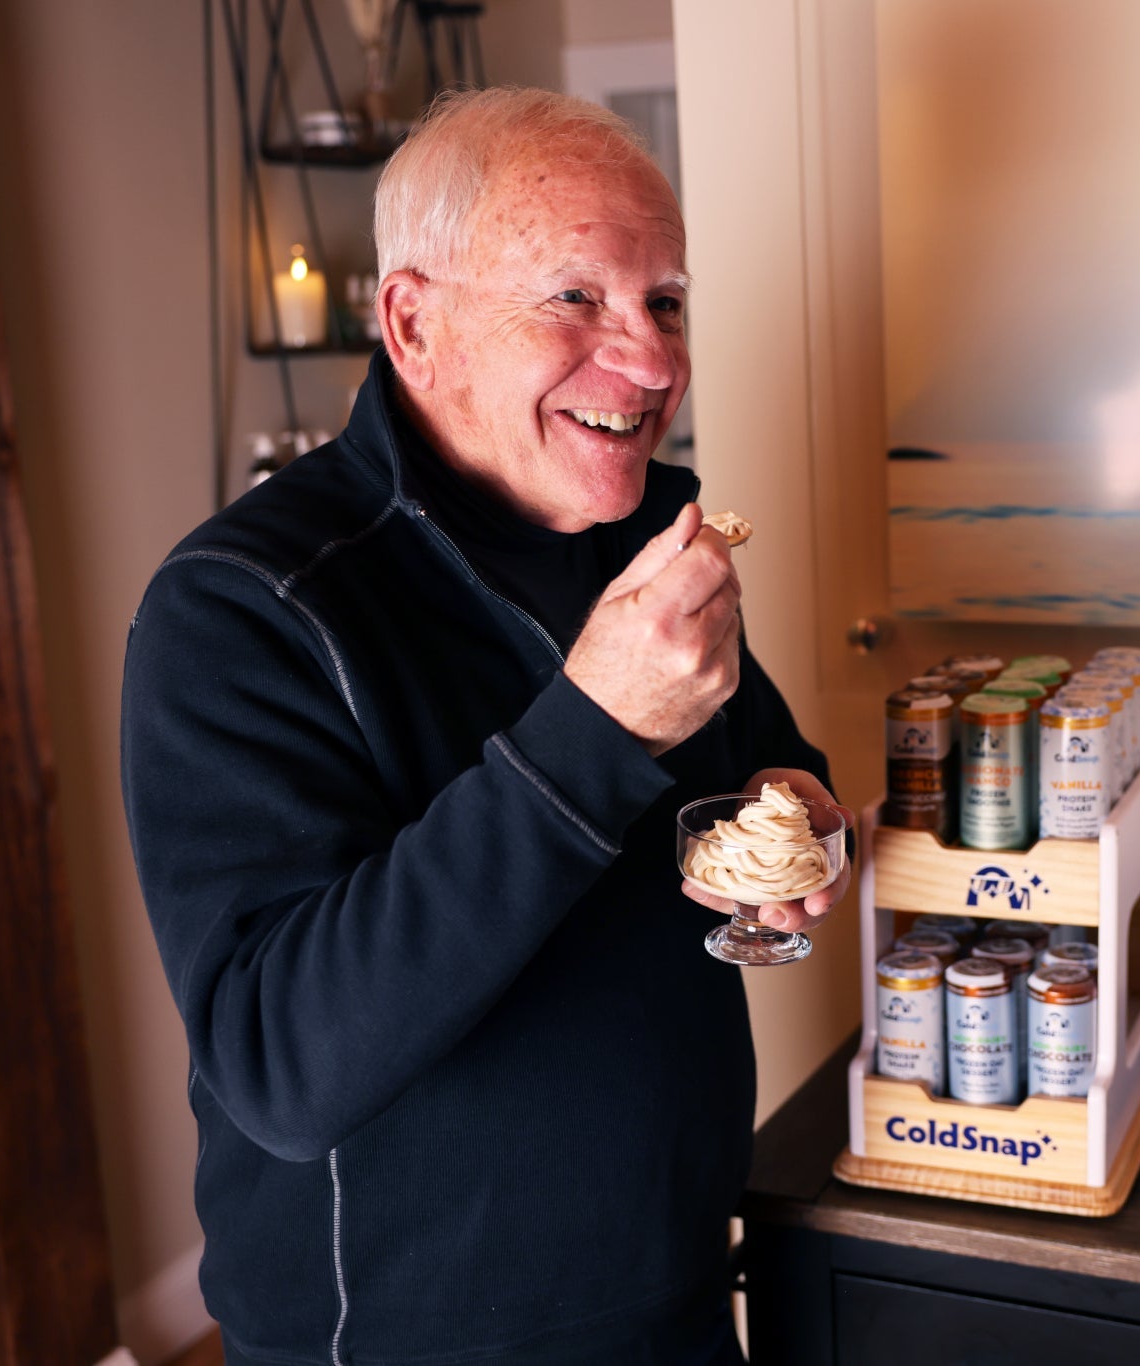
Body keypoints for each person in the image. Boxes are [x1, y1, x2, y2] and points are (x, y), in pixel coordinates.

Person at [121, 87, 847, 1366]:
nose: (653, 361)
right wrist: (594, 726)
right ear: (415, 321)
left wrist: (798, 807)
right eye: (575, 297)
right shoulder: (240, 605)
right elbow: (281, 1063)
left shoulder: (634, 535)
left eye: (663, 301)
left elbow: (759, 760)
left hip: (675, 1292)